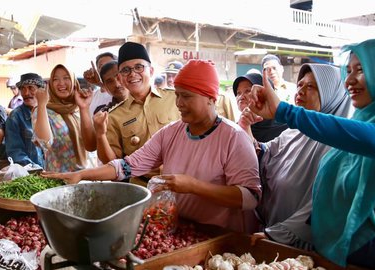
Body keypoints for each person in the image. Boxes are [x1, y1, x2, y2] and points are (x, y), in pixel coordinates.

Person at [44, 60, 261, 233]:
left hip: (223, 238)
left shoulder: (234, 138)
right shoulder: (171, 132)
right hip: (184, 231)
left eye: (186, 96)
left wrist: (194, 186)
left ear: (210, 98)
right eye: (177, 95)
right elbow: (128, 166)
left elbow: (250, 197)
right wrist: (82, 175)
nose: (178, 104)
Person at [247, 39, 375, 268]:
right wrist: (279, 234)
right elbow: (323, 202)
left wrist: (285, 111)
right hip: (339, 257)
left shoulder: (353, 134)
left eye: (361, 70)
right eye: (348, 71)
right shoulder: (354, 130)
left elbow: (371, 138)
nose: (349, 80)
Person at [241, 64, 352, 250]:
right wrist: (246, 129)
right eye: (300, 85)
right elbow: (264, 155)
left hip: (307, 247)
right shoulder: (293, 132)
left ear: (332, 95)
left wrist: (279, 233)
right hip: (273, 238)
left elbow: (325, 205)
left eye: (311, 87)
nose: (300, 91)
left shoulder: (342, 145)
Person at [105, 42, 180, 184]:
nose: (133, 74)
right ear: (120, 78)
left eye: (139, 67)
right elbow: (114, 162)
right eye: (125, 70)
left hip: (182, 184)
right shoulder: (114, 116)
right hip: (142, 187)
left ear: (151, 71)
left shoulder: (176, 99)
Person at [33, 64, 87, 172]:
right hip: (60, 182)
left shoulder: (82, 106)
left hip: (88, 177)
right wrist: (42, 105)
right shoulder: (44, 110)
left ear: (73, 81)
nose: (61, 83)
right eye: (55, 79)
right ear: (50, 84)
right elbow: (45, 142)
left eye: (66, 78)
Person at [77, 60, 129, 162]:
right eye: (109, 81)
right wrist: (83, 108)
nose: (117, 84)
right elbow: (91, 146)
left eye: (118, 77)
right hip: (120, 174)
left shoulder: (146, 100)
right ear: (105, 86)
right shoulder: (106, 113)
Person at [233, 73, 288, 142]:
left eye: (248, 91)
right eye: (238, 93)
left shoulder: (285, 129)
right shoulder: (235, 129)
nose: (241, 97)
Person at [5, 73, 44, 168]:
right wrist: (36, 169)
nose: (26, 93)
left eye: (31, 88)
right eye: (23, 89)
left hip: (55, 172)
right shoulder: (15, 117)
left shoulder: (50, 113)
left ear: (41, 90)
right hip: (32, 175)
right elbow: (15, 152)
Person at [83, 52, 117, 116]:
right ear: (97, 70)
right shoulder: (92, 96)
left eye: (109, 65)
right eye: (101, 66)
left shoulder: (124, 90)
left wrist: (99, 83)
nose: (105, 69)